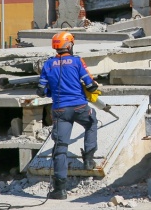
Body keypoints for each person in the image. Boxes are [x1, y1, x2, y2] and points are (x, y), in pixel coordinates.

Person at [37, 32, 100, 200]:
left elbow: (41, 91)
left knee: (60, 148)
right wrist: (92, 88)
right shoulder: (77, 61)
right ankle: (88, 159)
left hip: (60, 111)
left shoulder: (48, 64)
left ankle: (60, 190)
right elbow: (90, 85)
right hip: (79, 107)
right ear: (69, 45)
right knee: (92, 122)